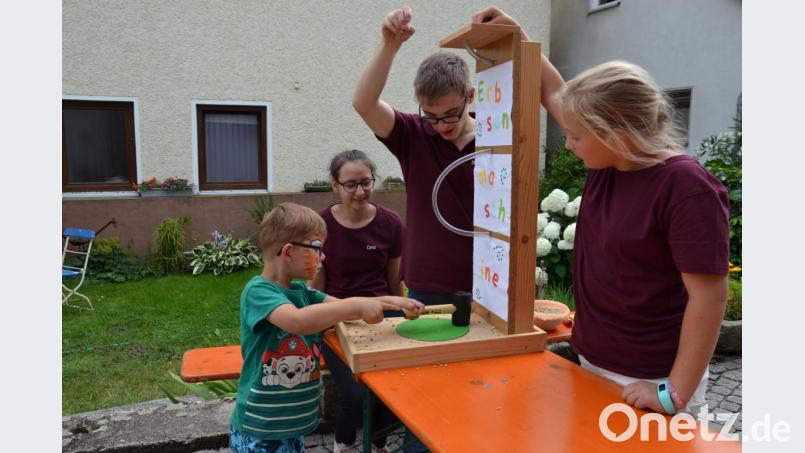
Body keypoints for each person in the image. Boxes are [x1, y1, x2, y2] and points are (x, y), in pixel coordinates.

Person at [472, 7, 730, 416]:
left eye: (575, 136)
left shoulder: (686, 187)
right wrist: (516, 33)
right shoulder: (611, 161)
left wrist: (673, 393)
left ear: (617, 136)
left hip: (652, 377)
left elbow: (709, 298)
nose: (568, 143)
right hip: (594, 360)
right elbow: (552, 89)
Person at [351, 8, 476, 451]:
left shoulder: (499, 140)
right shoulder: (412, 135)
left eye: (450, 115)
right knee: (424, 397)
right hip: (425, 288)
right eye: (431, 116)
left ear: (471, 96)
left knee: (475, 392)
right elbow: (364, 103)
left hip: (485, 289)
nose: (440, 126)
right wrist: (390, 44)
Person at [229, 202, 423, 453]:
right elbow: (298, 321)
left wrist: (393, 302)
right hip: (261, 428)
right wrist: (356, 305)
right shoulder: (259, 292)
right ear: (288, 252)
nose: (323, 257)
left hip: (291, 426)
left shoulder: (302, 292)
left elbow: (340, 305)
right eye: (317, 248)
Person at [310, 149, 405, 453]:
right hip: (336, 317)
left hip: (383, 314)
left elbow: (394, 282)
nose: (360, 192)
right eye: (350, 184)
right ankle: (344, 443)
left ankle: (378, 442)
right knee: (354, 394)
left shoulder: (391, 223)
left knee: (397, 385)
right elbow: (316, 289)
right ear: (334, 185)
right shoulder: (320, 226)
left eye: (366, 182)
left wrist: (402, 314)